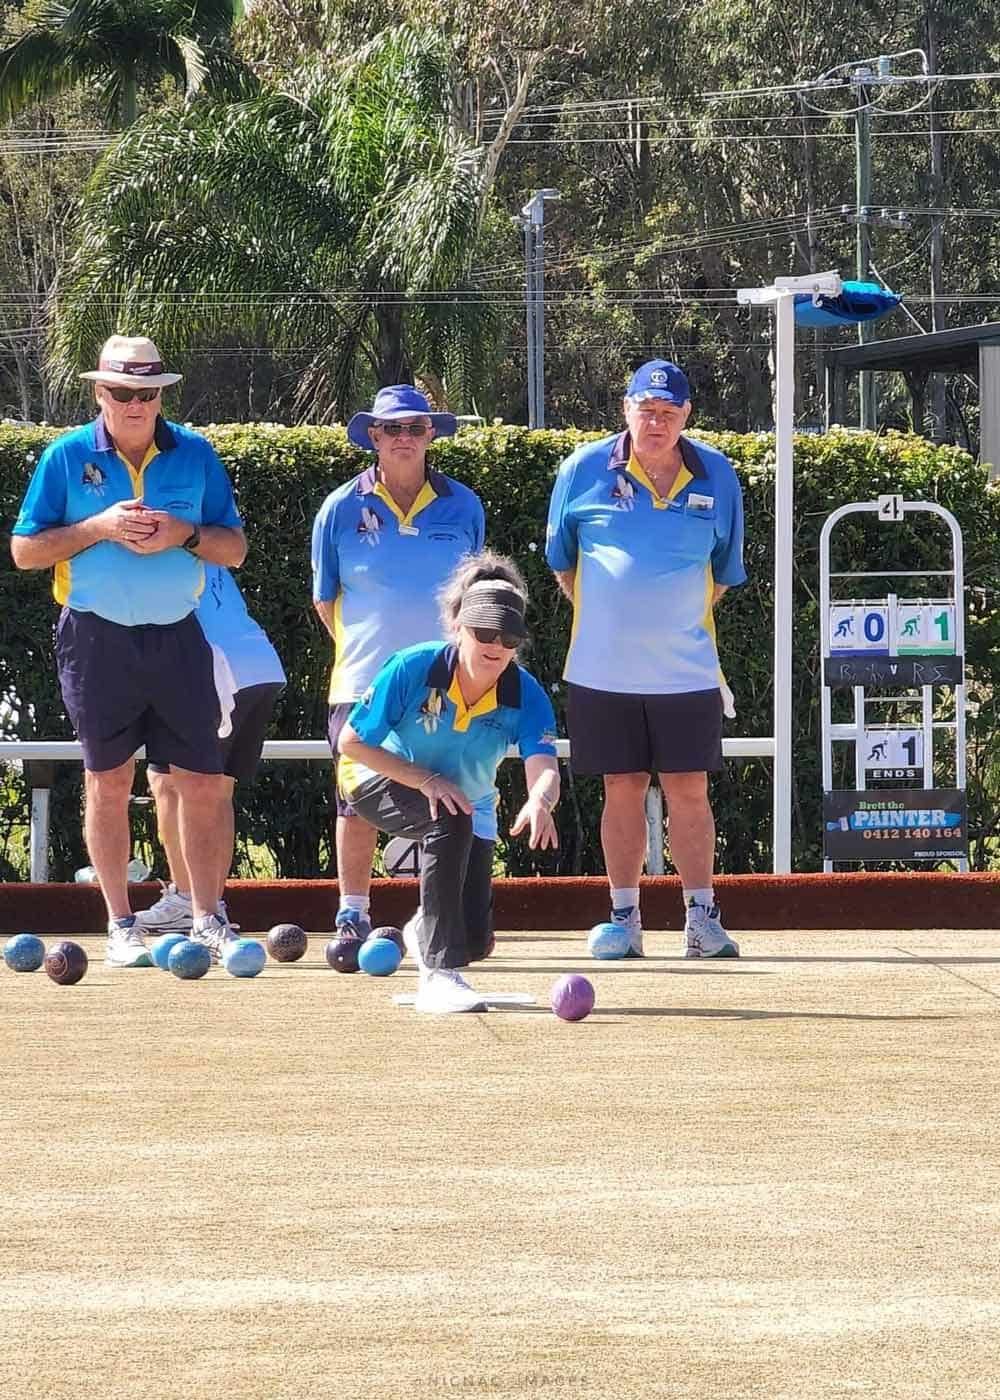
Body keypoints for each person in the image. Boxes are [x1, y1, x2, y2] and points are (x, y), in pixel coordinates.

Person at [10, 334, 246, 967]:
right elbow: (25, 552)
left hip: (178, 635)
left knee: (200, 783)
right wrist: (99, 527)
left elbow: (234, 548)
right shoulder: (65, 457)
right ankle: (121, 924)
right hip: (95, 637)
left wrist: (184, 533)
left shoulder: (195, 455)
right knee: (108, 782)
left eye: (147, 392)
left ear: (161, 395)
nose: (135, 403)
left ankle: (207, 916)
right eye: (121, 391)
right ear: (100, 393)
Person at [545, 359, 746, 958]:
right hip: (601, 671)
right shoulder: (581, 470)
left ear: (686, 415)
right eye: (645, 409)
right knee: (621, 788)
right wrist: (615, 616)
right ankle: (624, 920)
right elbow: (563, 562)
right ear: (625, 408)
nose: (655, 422)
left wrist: (668, 618)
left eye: (668, 412)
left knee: (690, 791)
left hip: (687, 671)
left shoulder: (718, 474)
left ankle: (702, 920)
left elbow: (724, 573)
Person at [338, 552, 559, 1013]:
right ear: (458, 627)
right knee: (450, 819)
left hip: (467, 800)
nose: (495, 645)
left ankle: (427, 931)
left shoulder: (526, 693)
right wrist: (426, 780)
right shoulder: (412, 667)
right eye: (483, 632)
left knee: (475, 940)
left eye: (508, 637)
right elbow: (352, 743)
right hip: (377, 776)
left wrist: (540, 800)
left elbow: (544, 765)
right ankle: (438, 973)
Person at [311, 384, 485, 938]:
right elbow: (325, 598)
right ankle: (352, 914)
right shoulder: (339, 508)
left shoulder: (464, 504)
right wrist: (377, 663)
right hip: (362, 681)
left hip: (446, 684)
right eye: (392, 429)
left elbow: (475, 596)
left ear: (431, 433)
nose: (404, 438)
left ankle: (440, 917)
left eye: (415, 428)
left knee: (452, 796)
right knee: (355, 803)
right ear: (374, 438)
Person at [134, 564, 286, 943]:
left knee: (169, 781)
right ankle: (211, 904)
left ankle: (190, 899)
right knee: (216, 789)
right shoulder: (203, 538)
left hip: (215, 668)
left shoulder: (150, 545)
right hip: (258, 664)